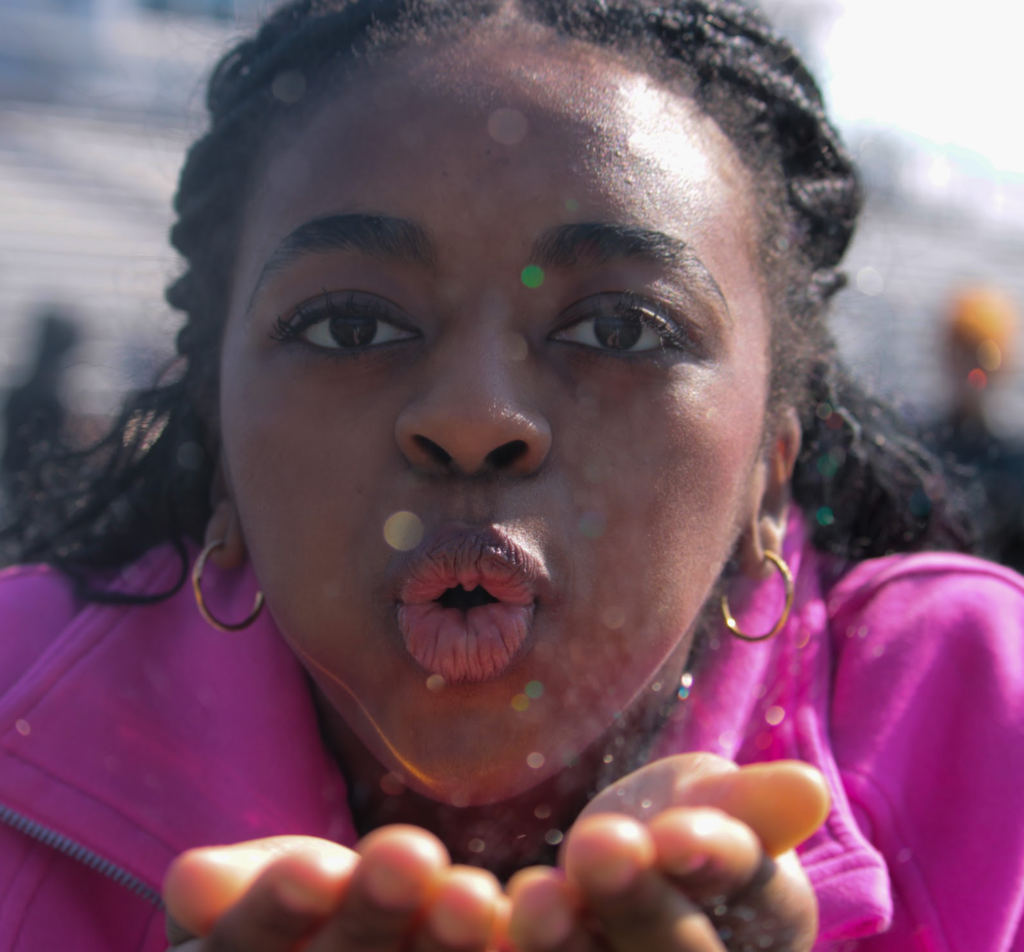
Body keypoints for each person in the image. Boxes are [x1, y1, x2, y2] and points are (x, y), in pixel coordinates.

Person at [0, 1, 1020, 950]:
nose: (472, 420)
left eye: (619, 328)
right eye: (349, 325)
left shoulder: (988, 722)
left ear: (769, 471)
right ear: (219, 442)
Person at [932, 284, 1024, 572]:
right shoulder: (919, 443)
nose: (970, 368)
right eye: (960, 352)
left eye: (982, 355)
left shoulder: (1015, 459)